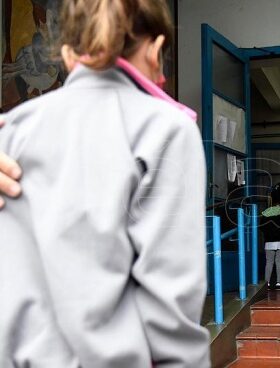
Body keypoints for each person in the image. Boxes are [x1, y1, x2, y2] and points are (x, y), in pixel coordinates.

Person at [0, 1, 210, 367]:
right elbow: (170, 307)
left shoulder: (12, 131)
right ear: (156, 50)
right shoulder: (167, 130)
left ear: (68, 56)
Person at [260, 188, 280, 290]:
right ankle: (278, 283)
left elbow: (261, 227)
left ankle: (266, 283)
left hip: (269, 241)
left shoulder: (266, 212)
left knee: (269, 262)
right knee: (279, 261)